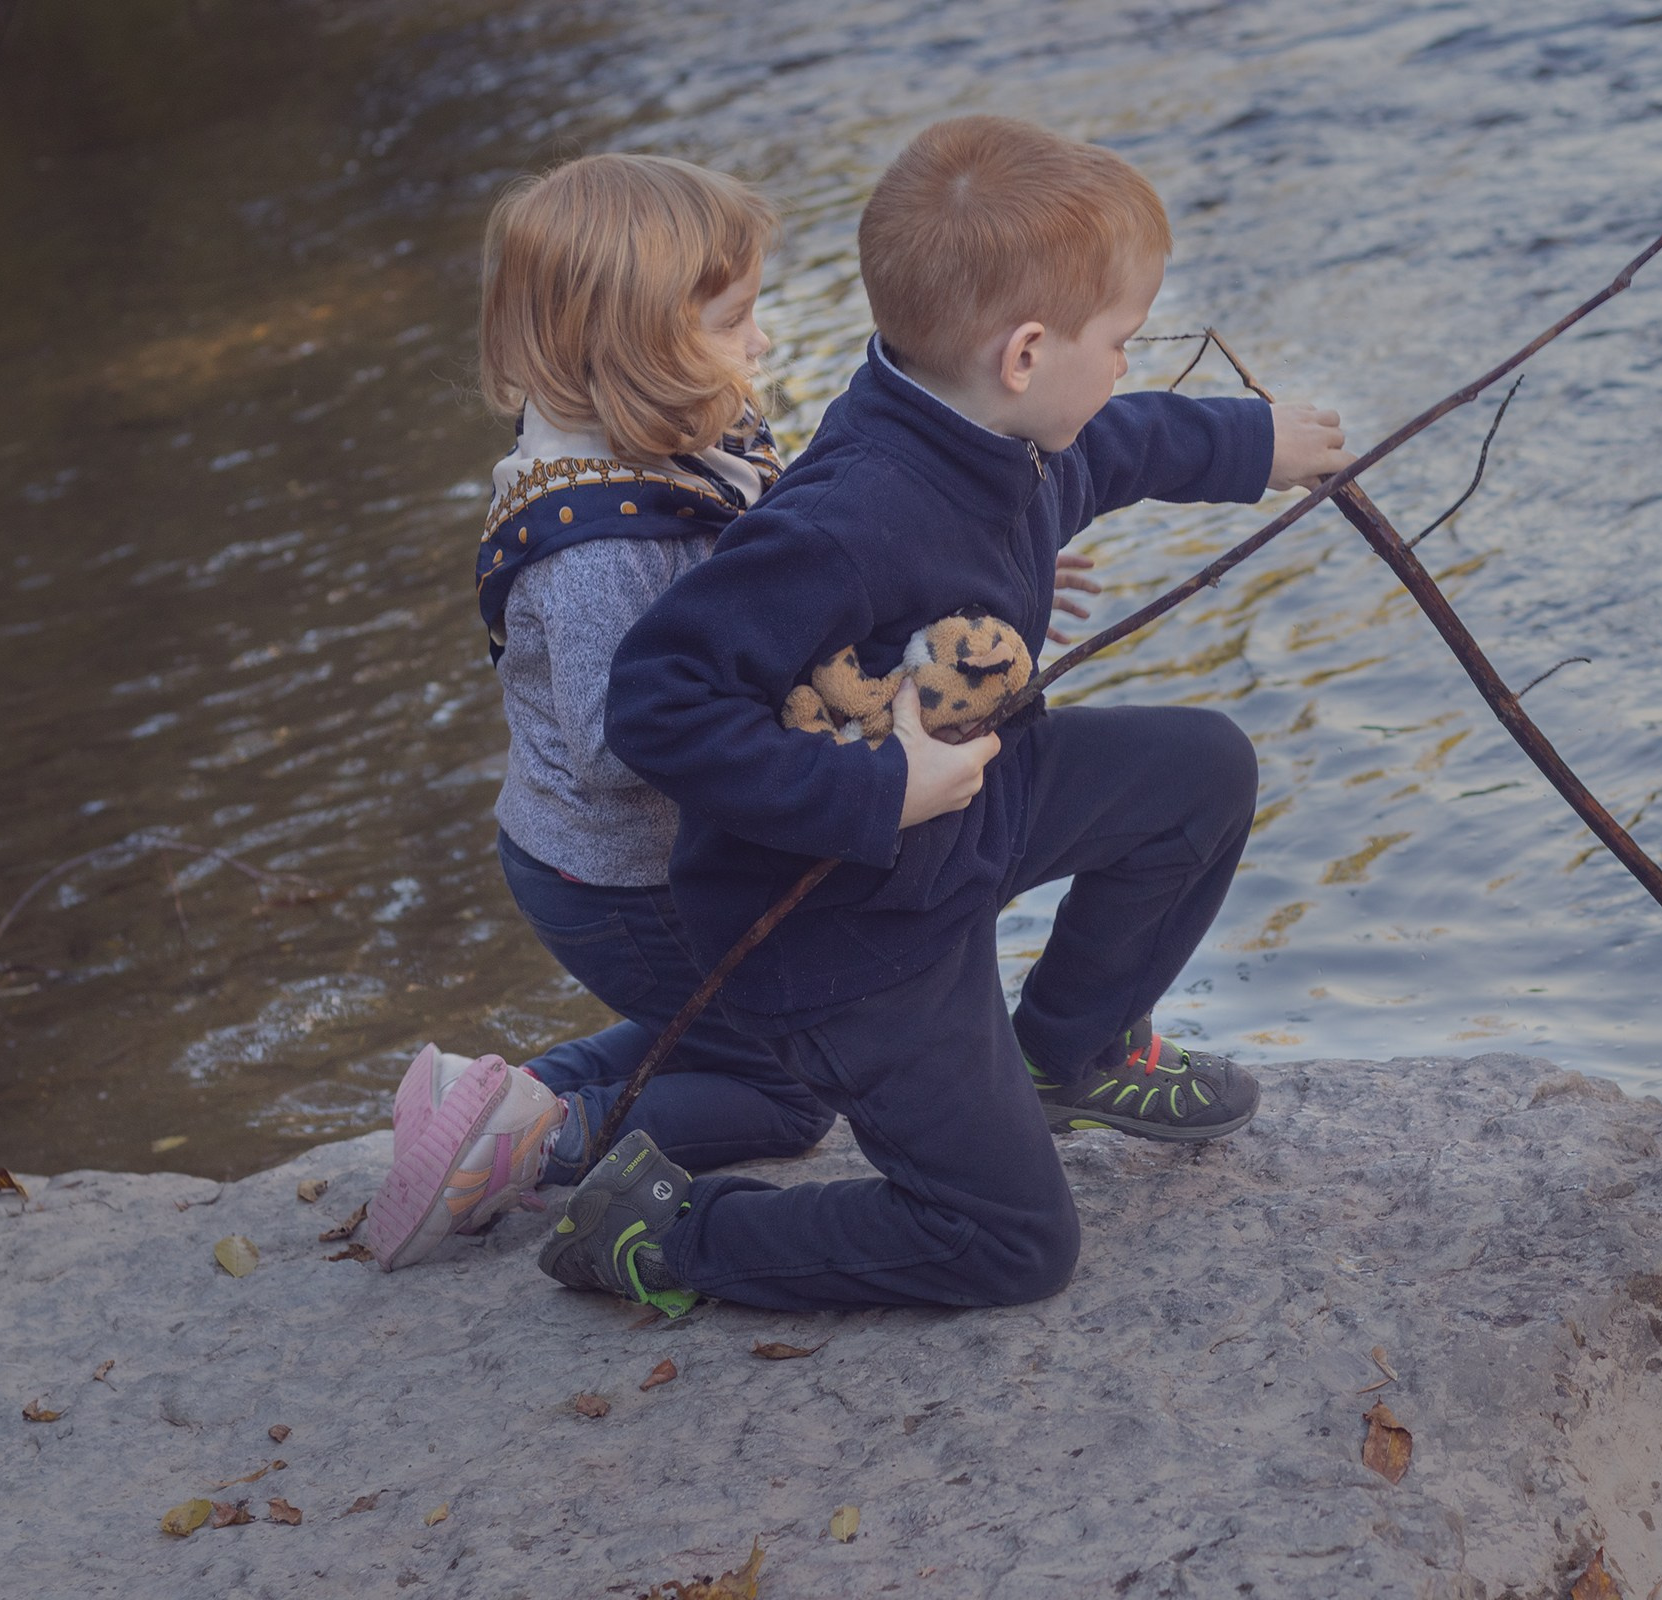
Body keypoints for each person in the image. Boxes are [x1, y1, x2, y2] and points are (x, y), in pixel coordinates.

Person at [542, 116, 1354, 1317]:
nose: (1127, 367)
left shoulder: (985, 425)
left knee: (1201, 772)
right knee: (1011, 1245)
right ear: (1026, 352)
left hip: (963, 817)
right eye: (1122, 343)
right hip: (853, 925)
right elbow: (658, 699)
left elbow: (1109, 451)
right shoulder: (851, 516)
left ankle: (1063, 1055)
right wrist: (879, 791)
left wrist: (1252, 444)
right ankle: (672, 1232)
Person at [364, 152, 1103, 1273]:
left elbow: (811, 560)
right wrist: (867, 778)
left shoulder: (669, 440)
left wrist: (975, 564)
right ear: (632, 343)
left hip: (635, 856)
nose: (760, 342)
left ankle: (500, 1097)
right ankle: (542, 1139)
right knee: (789, 1084)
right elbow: (627, 747)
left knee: (719, 1037)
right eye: (734, 319)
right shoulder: (601, 541)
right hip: (624, 875)